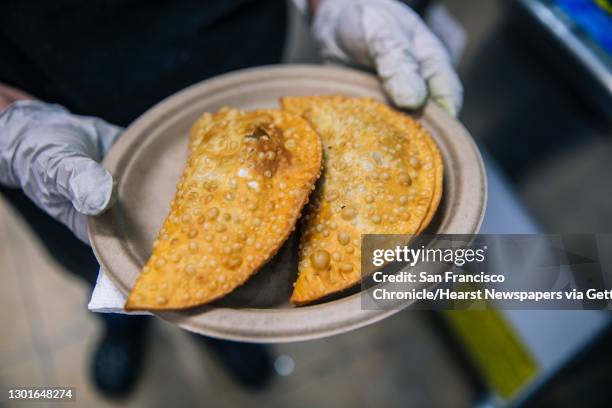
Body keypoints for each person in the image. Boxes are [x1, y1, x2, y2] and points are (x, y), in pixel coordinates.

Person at [0, 0, 462, 399]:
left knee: (220, 295)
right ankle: (121, 327)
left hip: (234, 59)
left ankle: (222, 335)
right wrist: (10, 124)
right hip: (48, 97)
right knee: (96, 255)